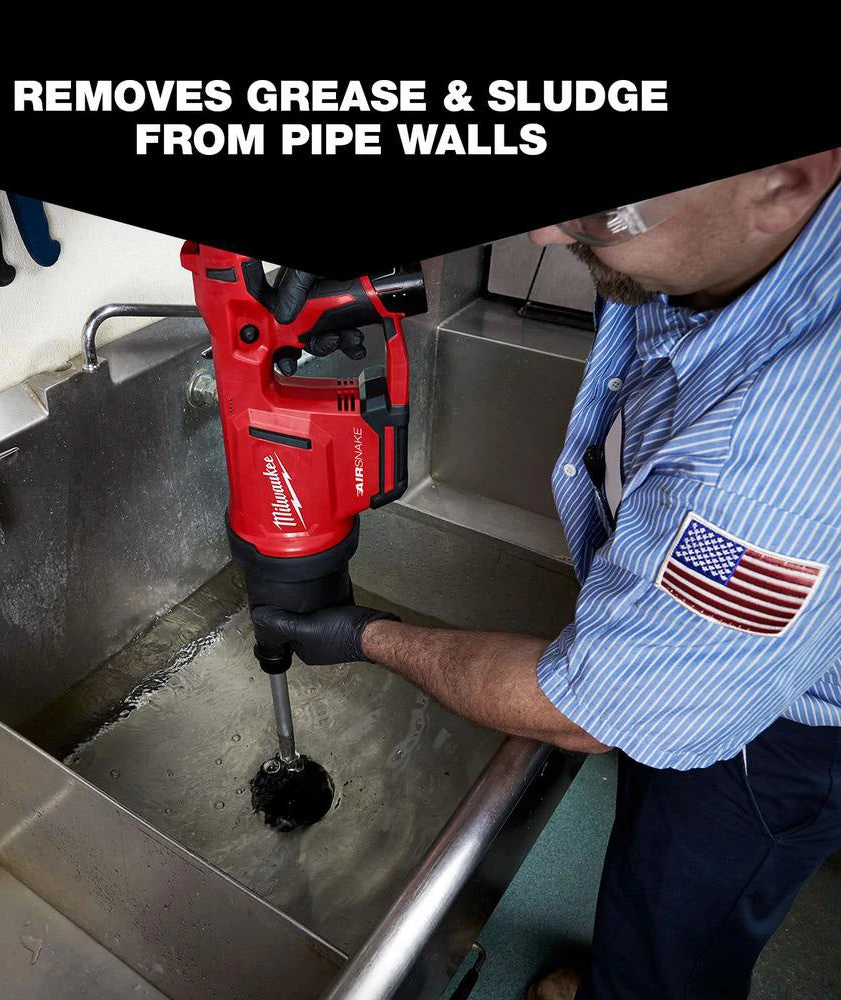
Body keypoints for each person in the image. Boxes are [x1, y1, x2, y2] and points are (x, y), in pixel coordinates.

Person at [252, 149, 841, 1000]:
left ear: (786, 183)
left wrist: (366, 635)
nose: (542, 233)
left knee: (680, 919)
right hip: (722, 649)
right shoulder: (718, 234)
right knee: (645, 863)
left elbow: (584, 710)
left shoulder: (773, 464)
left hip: (779, 739)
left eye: (600, 212)